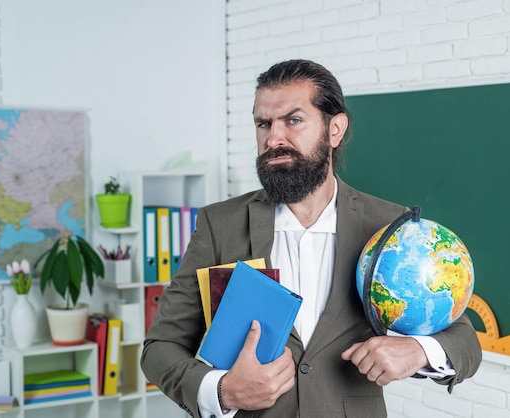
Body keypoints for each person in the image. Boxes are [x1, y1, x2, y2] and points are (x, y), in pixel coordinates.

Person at [141, 59, 482, 418]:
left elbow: (464, 341)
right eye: (263, 124)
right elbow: (159, 348)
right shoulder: (219, 224)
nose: (274, 139)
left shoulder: (390, 228)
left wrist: (417, 351)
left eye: (293, 120)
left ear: (335, 129)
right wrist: (223, 390)